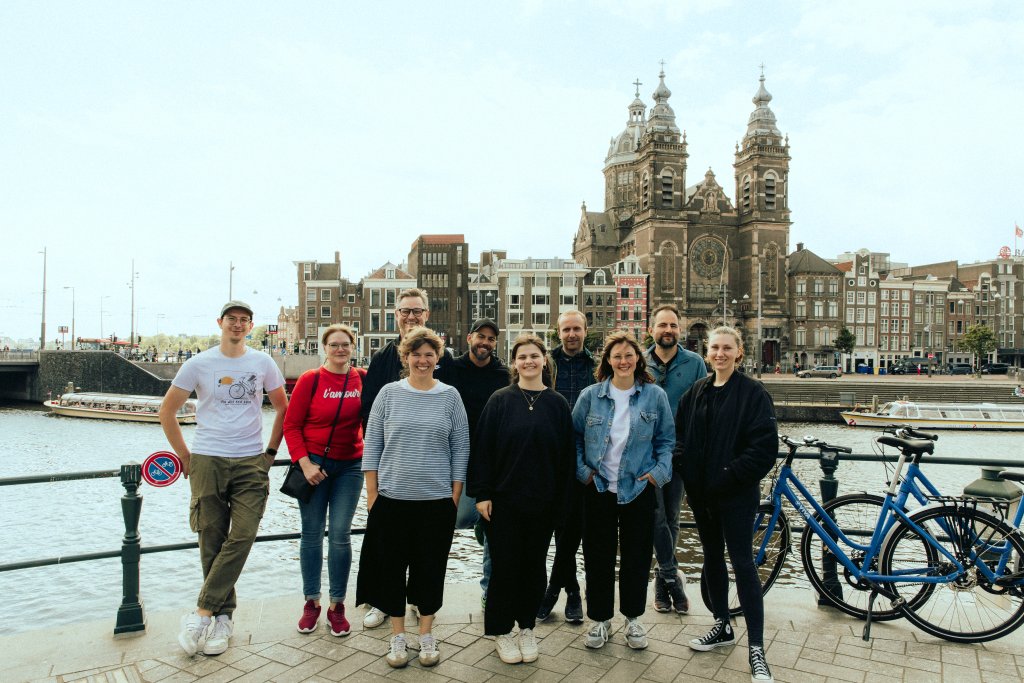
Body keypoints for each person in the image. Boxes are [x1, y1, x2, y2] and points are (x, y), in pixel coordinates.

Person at [158, 301, 287, 657]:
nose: (238, 325)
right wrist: (185, 456)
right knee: (211, 539)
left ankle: (201, 614)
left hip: (250, 461)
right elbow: (166, 411)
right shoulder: (199, 363)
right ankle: (223, 619)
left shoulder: (262, 362)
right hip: (207, 458)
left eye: (244, 320)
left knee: (243, 534)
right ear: (221, 323)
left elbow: (283, 410)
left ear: (251, 326)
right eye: (232, 319)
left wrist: (271, 453)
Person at [356, 327, 469, 669]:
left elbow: (460, 448)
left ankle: (427, 635)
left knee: (430, 570)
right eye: (416, 354)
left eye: (429, 354)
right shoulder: (389, 394)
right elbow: (372, 442)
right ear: (406, 358)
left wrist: (453, 496)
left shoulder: (450, 396)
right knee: (391, 569)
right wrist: (373, 493)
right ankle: (397, 637)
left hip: (435, 502)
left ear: (437, 359)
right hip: (391, 499)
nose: (422, 360)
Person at [677, 326, 778, 683]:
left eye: (726, 348)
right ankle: (721, 624)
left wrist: (727, 476)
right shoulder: (696, 392)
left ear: (738, 352)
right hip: (702, 497)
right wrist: (691, 477)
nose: (720, 354)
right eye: (714, 348)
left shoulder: (753, 393)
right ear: (707, 353)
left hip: (735, 496)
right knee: (712, 561)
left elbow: (764, 449)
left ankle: (757, 649)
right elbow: (680, 441)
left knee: (744, 565)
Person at [468, 333, 574, 665]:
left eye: (534, 355)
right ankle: (501, 631)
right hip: (504, 501)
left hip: (542, 502)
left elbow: (566, 459)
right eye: (522, 357)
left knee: (533, 568)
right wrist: (482, 494)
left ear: (544, 360)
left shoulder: (557, 404)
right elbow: (483, 448)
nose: (528, 361)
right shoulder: (500, 400)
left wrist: (562, 504)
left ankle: (527, 626)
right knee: (504, 568)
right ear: (515, 363)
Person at [573, 330, 674, 651]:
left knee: (637, 557)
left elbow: (667, 441)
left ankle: (633, 619)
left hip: (638, 489)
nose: (623, 361)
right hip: (599, 488)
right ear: (607, 361)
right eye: (616, 356)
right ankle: (600, 620)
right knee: (597, 557)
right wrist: (584, 473)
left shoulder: (654, 396)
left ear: (637, 359)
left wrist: (658, 473)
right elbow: (572, 438)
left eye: (629, 355)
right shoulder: (590, 396)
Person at [283, 324, 365, 637]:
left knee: (341, 534)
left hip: (350, 467)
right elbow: (291, 426)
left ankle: (337, 605)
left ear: (353, 348)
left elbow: (374, 417)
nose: (340, 350)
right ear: (324, 347)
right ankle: (311, 601)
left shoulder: (363, 378)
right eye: (334, 345)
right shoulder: (311, 379)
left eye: (346, 345)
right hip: (313, 466)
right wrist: (305, 465)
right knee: (312, 533)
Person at [358, 287, 432, 629]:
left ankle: (417, 598)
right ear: (397, 315)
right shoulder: (381, 359)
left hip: (427, 468)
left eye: (417, 311)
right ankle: (383, 600)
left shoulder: (437, 355)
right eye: (405, 311)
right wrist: (373, 473)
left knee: (422, 541)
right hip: (389, 467)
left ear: (426, 314)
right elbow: (369, 417)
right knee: (384, 541)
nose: (411, 316)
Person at [435, 318, 509, 607]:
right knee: (457, 518)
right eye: (481, 336)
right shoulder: (452, 368)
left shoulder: (502, 373)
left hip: (491, 457)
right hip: (457, 454)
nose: (485, 343)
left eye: (491, 339)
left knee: (495, 524)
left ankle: (490, 590)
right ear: (469, 338)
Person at [643, 304, 707, 615]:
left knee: (671, 518)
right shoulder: (640, 362)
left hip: (679, 453)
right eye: (662, 325)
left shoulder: (694, 363)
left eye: (673, 325)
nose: (667, 330)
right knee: (656, 518)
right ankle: (671, 579)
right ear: (651, 329)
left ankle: (660, 580)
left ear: (679, 330)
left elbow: (704, 406)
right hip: (646, 455)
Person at [535, 310, 595, 624]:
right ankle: (570, 589)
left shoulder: (598, 367)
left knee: (574, 529)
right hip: (552, 456)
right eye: (566, 329)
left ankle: (558, 589)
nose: (572, 335)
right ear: (558, 332)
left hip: (586, 457)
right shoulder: (548, 363)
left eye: (577, 329)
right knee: (557, 527)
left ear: (585, 331)